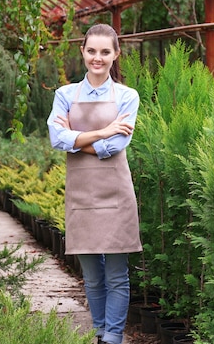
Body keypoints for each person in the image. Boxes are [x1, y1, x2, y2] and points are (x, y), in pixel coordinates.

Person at [47, 24, 142, 344]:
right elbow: (56, 139)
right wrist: (103, 132)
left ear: (116, 55)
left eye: (105, 52)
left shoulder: (127, 96)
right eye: (91, 51)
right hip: (81, 193)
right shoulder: (65, 94)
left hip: (116, 192)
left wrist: (76, 139)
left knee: (116, 275)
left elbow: (116, 147)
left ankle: (112, 338)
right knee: (91, 275)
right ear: (82, 51)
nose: (97, 58)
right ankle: (100, 331)